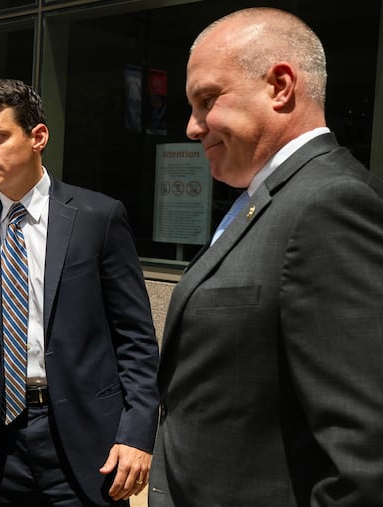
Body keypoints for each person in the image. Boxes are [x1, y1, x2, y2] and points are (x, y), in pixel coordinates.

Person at [149, 8, 383, 507]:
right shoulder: (269, 198)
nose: (192, 128)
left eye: (206, 100)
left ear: (280, 86)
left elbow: (365, 453)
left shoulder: (330, 205)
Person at [0, 78, 160, 506]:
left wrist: (136, 434)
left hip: (85, 440)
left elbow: (135, 340)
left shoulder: (98, 218)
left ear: (38, 137)